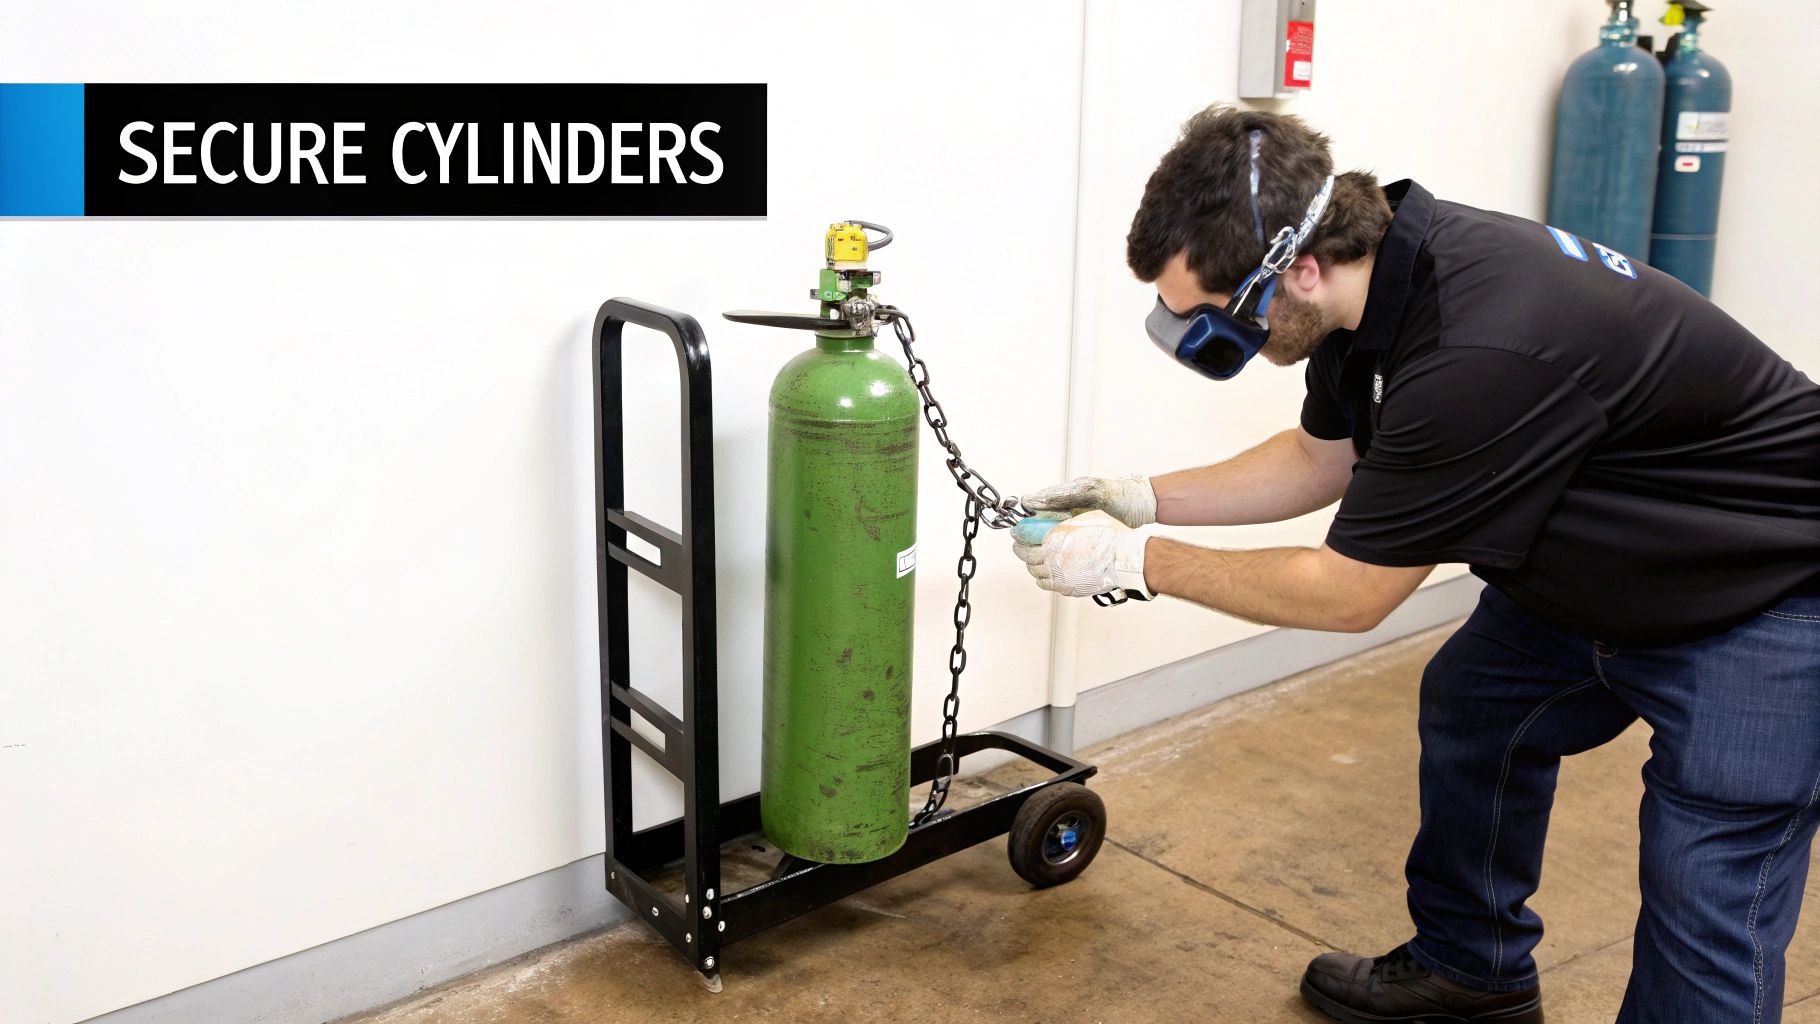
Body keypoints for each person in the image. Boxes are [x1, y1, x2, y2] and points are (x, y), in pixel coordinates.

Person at [1011, 106, 1820, 1024]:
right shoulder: (1373, 291)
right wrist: (1138, 496)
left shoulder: (1478, 345)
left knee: (1707, 885)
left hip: (1765, 593)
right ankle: (1472, 972)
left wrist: (1134, 561)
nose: (1204, 343)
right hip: (1601, 576)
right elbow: (1321, 459)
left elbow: (1349, 594)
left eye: (1212, 322)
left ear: (1298, 269)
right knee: (1477, 705)